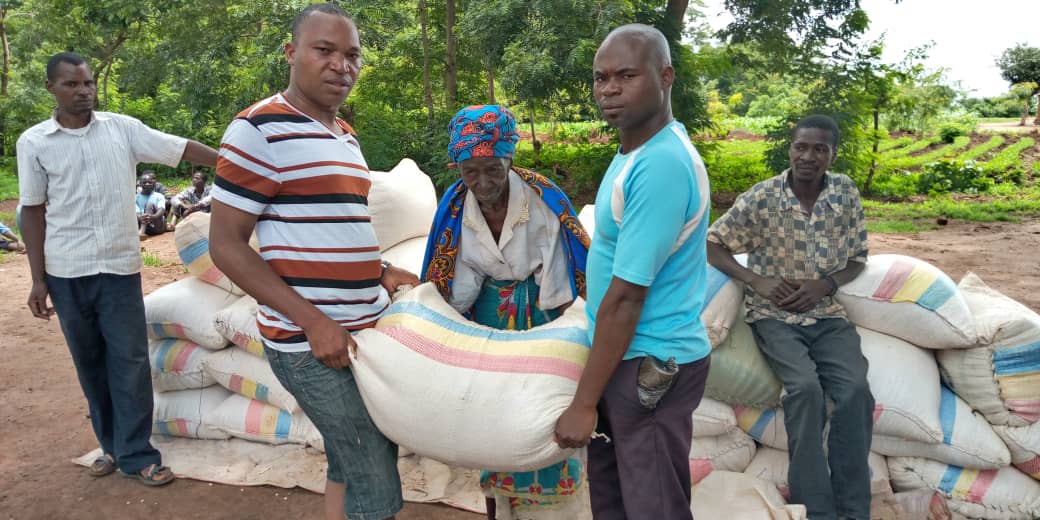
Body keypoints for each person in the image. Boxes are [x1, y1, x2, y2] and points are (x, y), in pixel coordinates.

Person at [208, 4, 417, 520]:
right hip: (308, 342)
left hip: (359, 331)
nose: (341, 65)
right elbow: (227, 246)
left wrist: (381, 274)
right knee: (372, 463)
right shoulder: (258, 129)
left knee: (350, 459)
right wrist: (314, 320)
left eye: (352, 55)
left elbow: (335, 226)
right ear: (291, 53)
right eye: (324, 50)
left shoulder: (345, 136)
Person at [17, 51, 218, 486]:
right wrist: (37, 278)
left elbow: (177, 147)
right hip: (66, 272)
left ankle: (138, 454)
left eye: (88, 83)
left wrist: (233, 162)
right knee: (89, 362)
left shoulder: (122, 130)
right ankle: (109, 446)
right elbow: (31, 212)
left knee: (128, 360)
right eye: (72, 84)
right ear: (51, 88)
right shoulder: (34, 143)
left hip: (119, 268)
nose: (84, 91)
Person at [553, 24, 713, 520]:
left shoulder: (661, 165)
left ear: (665, 77)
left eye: (626, 75)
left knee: (653, 506)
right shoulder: (634, 152)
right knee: (616, 498)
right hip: (622, 359)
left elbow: (626, 298)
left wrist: (583, 403)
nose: (609, 89)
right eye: (601, 78)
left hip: (649, 363)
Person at [421, 105, 591, 520]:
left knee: (544, 409)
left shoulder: (543, 199)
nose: (483, 182)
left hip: (542, 316)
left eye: (493, 169)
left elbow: (561, 283)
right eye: (470, 172)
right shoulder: (455, 207)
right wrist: (448, 336)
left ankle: (556, 507)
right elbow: (455, 286)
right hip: (486, 320)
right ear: (457, 167)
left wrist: (566, 343)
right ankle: (501, 503)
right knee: (493, 412)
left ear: (510, 159)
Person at [705, 114, 873, 520]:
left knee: (855, 393)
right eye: (801, 146)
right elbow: (714, 244)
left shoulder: (845, 194)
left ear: (832, 154)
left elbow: (857, 259)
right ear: (790, 149)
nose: (808, 156)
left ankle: (854, 509)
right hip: (774, 317)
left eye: (819, 149)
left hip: (827, 315)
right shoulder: (762, 198)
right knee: (805, 391)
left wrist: (826, 284)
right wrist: (755, 281)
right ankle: (815, 509)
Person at [136, 171, 167, 237]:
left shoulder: (159, 196)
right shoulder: (136, 197)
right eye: (144, 182)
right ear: (140, 184)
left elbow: (161, 210)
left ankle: (141, 232)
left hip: (157, 226)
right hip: (143, 225)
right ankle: (142, 230)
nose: (147, 184)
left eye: (150, 182)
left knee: (149, 204)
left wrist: (152, 217)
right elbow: (137, 212)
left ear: (154, 184)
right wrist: (140, 218)